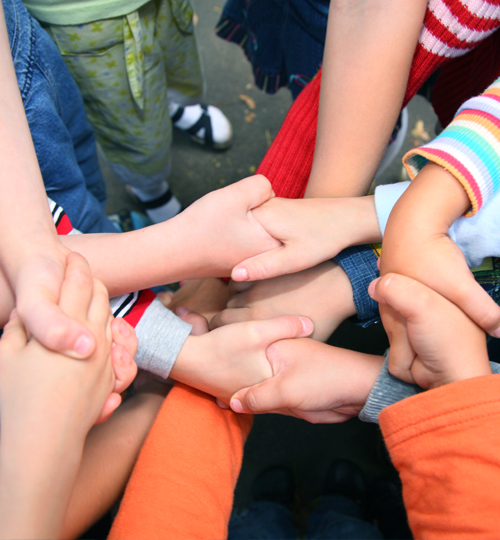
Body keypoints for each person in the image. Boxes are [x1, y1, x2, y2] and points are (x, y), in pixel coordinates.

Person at [24, 0, 232, 224]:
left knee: (176, 72)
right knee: (128, 124)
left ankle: (170, 107)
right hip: (87, 18)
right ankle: (149, 190)